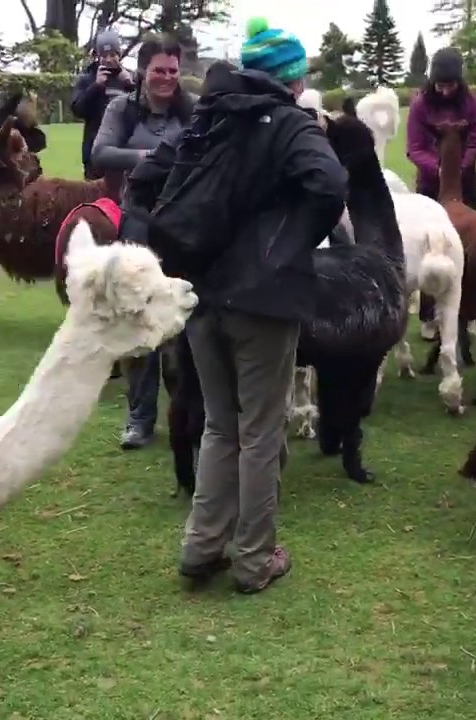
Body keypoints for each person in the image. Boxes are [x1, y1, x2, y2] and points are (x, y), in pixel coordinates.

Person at [121, 18, 347, 593]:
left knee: (221, 425)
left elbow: (142, 180)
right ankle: (253, 559)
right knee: (260, 431)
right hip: (263, 303)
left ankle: (201, 547)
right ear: (290, 80)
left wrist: (179, 246)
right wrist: (285, 245)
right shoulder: (290, 125)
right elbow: (329, 183)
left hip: (200, 294)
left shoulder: (206, 117)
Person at [92, 33, 197, 451]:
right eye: (159, 70)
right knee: (137, 318)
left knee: (183, 321)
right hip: (136, 224)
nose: (167, 78)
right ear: (143, 71)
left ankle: (188, 411)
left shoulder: (191, 110)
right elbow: (100, 152)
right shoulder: (122, 108)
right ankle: (140, 417)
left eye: (173, 71)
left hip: (183, 226)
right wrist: (150, 159)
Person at [405, 46, 476, 207]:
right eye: (440, 86)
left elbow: (475, 142)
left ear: (459, 82)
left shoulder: (470, 102)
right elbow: (415, 149)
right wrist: (440, 169)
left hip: (465, 184)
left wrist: (460, 167)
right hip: (429, 186)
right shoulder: (420, 105)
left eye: (450, 86)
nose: (445, 92)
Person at [70, 30, 137, 180]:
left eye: (113, 55)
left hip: (124, 151)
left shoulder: (129, 78)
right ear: (97, 56)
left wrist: (131, 86)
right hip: (95, 151)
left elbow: (144, 109)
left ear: (119, 55)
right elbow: (77, 110)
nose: (108, 60)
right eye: (104, 56)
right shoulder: (86, 78)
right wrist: (96, 86)